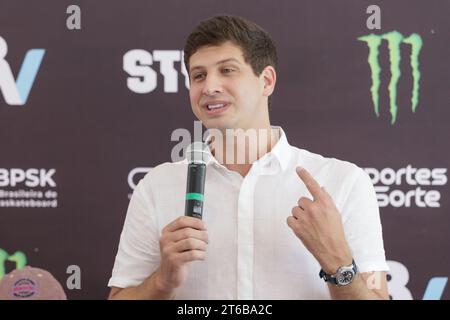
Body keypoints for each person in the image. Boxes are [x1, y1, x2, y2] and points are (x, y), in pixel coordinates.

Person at [108, 15, 389, 300]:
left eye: (227, 70)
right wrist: (162, 281)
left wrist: (338, 263)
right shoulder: (158, 185)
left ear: (266, 81)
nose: (209, 87)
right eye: (199, 75)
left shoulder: (341, 181)